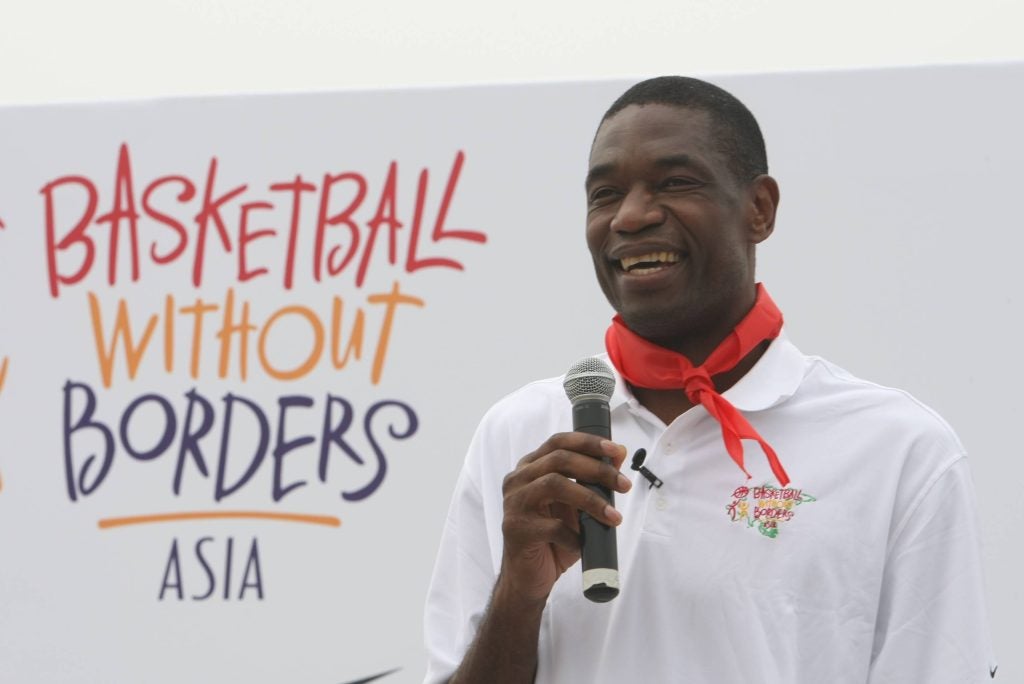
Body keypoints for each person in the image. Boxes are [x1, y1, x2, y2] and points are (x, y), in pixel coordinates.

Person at [423, 76, 996, 683]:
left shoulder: (898, 450)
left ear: (760, 209)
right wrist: (519, 591)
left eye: (675, 182)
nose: (632, 216)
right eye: (605, 193)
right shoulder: (518, 435)